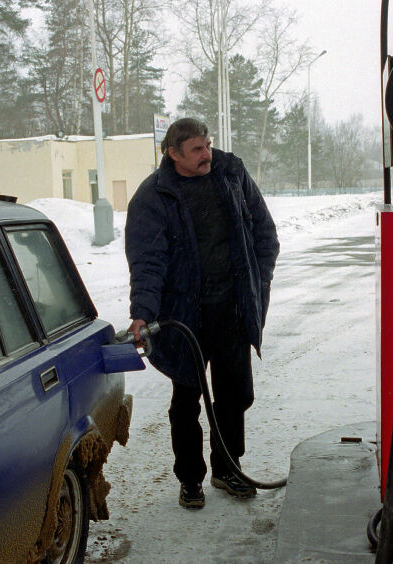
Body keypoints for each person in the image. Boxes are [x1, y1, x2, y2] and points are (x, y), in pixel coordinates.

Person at [124, 118, 279, 509]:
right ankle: (189, 478)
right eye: (196, 148)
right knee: (186, 400)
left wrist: (255, 288)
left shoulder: (232, 174)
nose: (207, 153)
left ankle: (228, 469)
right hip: (183, 317)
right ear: (172, 153)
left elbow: (265, 235)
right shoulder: (153, 196)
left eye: (208, 144)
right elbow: (147, 262)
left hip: (230, 310)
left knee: (233, 396)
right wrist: (142, 312)